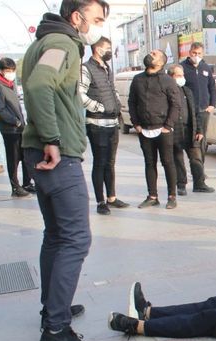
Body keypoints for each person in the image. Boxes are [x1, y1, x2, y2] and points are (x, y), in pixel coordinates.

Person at [21, 0, 110, 341]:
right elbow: (40, 86)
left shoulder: (44, 41)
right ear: (77, 17)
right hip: (57, 155)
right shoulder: (62, 43)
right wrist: (53, 140)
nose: (100, 26)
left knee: (57, 236)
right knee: (76, 239)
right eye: (97, 19)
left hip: (40, 150)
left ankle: (52, 307)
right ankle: (56, 327)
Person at [79, 36, 129, 215]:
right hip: (97, 123)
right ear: (97, 49)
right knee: (100, 163)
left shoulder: (107, 68)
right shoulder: (86, 68)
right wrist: (99, 107)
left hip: (112, 123)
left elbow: (111, 89)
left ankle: (112, 197)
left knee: (110, 162)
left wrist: (116, 104)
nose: (110, 51)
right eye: (108, 47)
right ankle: (101, 201)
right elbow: (80, 94)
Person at [129, 49, 180, 209]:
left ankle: (172, 196)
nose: (151, 53)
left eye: (155, 53)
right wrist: (136, 124)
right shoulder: (137, 79)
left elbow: (176, 104)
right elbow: (132, 102)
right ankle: (152, 196)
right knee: (149, 163)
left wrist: (168, 126)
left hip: (163, 129)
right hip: (144, 129)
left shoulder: (167, 80)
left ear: (161, 62)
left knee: (168, 162)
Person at [167, 64, 214, 195]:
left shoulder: (187, 91)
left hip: (190, 130)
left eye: (182, 75)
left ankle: (199, 183)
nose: (182, 78)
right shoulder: (166, 92)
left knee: (196, 157)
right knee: (178, 159)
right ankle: (181, 185)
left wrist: (199, 130)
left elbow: (195, 112)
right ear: (171, 77)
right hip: (175, 130)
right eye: (178, 75)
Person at [0, 58, 33, 197]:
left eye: (12, 70)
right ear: (2, 71)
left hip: (20, 127)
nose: (11, 73)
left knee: (26, 156)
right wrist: (14, 121)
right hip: (10, 129)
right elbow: (0, 109)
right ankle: (15, 187)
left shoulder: (11, 84)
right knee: (13, 158)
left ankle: (27, 183)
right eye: (8, 70)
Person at [180, 42, 216, 153]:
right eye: (194, 53)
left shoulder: (205, 67)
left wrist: (212, 104)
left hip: (204, 109)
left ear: (203, 54)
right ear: (190, 52)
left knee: (202, 137)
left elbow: (212, 87)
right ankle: (193, 157)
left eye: (199, 53)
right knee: (191, 134)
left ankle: (200, 162)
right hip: (189, 108)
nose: (196, 56)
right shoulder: (182, 67)